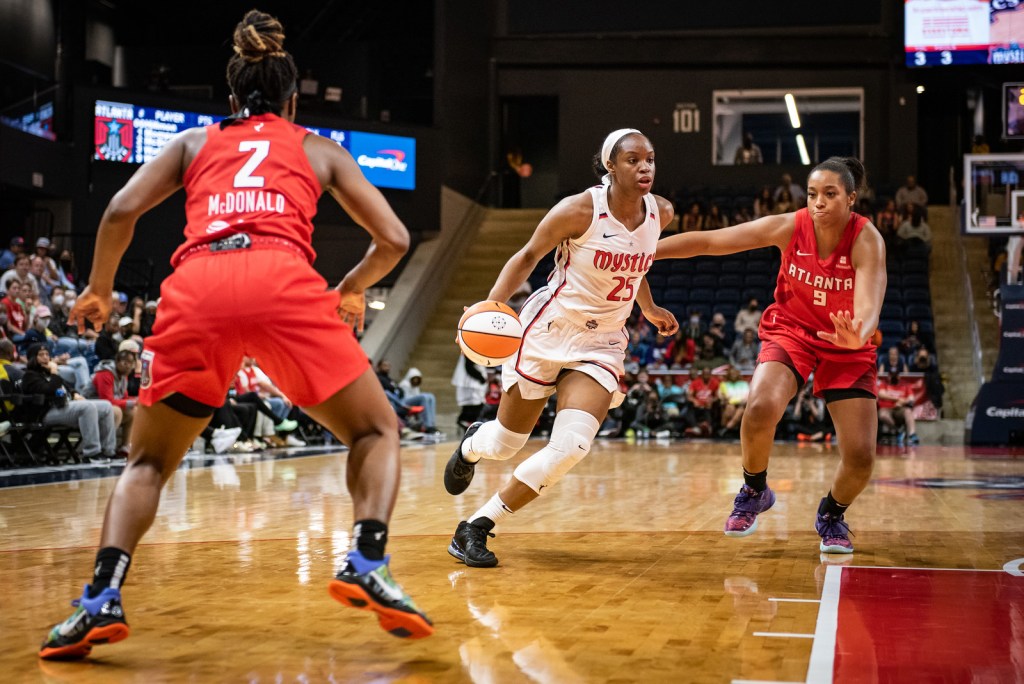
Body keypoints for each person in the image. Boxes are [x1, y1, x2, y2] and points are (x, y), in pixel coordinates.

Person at [39, 10, 432, 661]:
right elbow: (394, 238)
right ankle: (366, 557)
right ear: (292, 97)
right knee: (374, 430)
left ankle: (99, 600)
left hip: (198, 286)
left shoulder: (193, 143)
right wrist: (352, 288)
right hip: (282, 280)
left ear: (230, 97)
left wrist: (101, 288)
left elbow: (119, 210)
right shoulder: (318, 147)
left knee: (147, 463)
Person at [441, 128, 678, 568]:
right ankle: (473, 445)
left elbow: (637, 263)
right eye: (633, 160)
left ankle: (476, 525)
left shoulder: (660, 212)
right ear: (610, 165)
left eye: (650, 159)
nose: (645, 167)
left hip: (602, 341)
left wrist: (648, 306)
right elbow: (528, 256)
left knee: (572, 446)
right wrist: (490, 306)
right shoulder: (578, 210)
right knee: (507, 443)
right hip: (549, 329)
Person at [656, 156, 886, 554]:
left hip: (847, 343)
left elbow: (869, 302)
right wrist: (644, 255)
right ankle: (754, 489)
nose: (819, 203)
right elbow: (712, 241)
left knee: (861, 457)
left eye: (830, 195)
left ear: (851, 198)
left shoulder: (867, 240)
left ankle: (832, 513)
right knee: (760, 406)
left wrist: (858, 334)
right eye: (813, 194)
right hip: (793, 330)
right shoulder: (789, 226)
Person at [876, 371, 918, 445]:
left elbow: (911, 399)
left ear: (899, 377)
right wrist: (897, 399)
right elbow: (881, 394)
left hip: (900, 409)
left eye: (895, 375)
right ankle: (898, 431)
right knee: (882, 415)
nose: (893, 377)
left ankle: (912, 435)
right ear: (888, 377)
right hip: (886, 408)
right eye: (891, 375)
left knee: (908, 411)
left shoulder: (905, 386)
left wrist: (902, 402)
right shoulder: (884, 385)